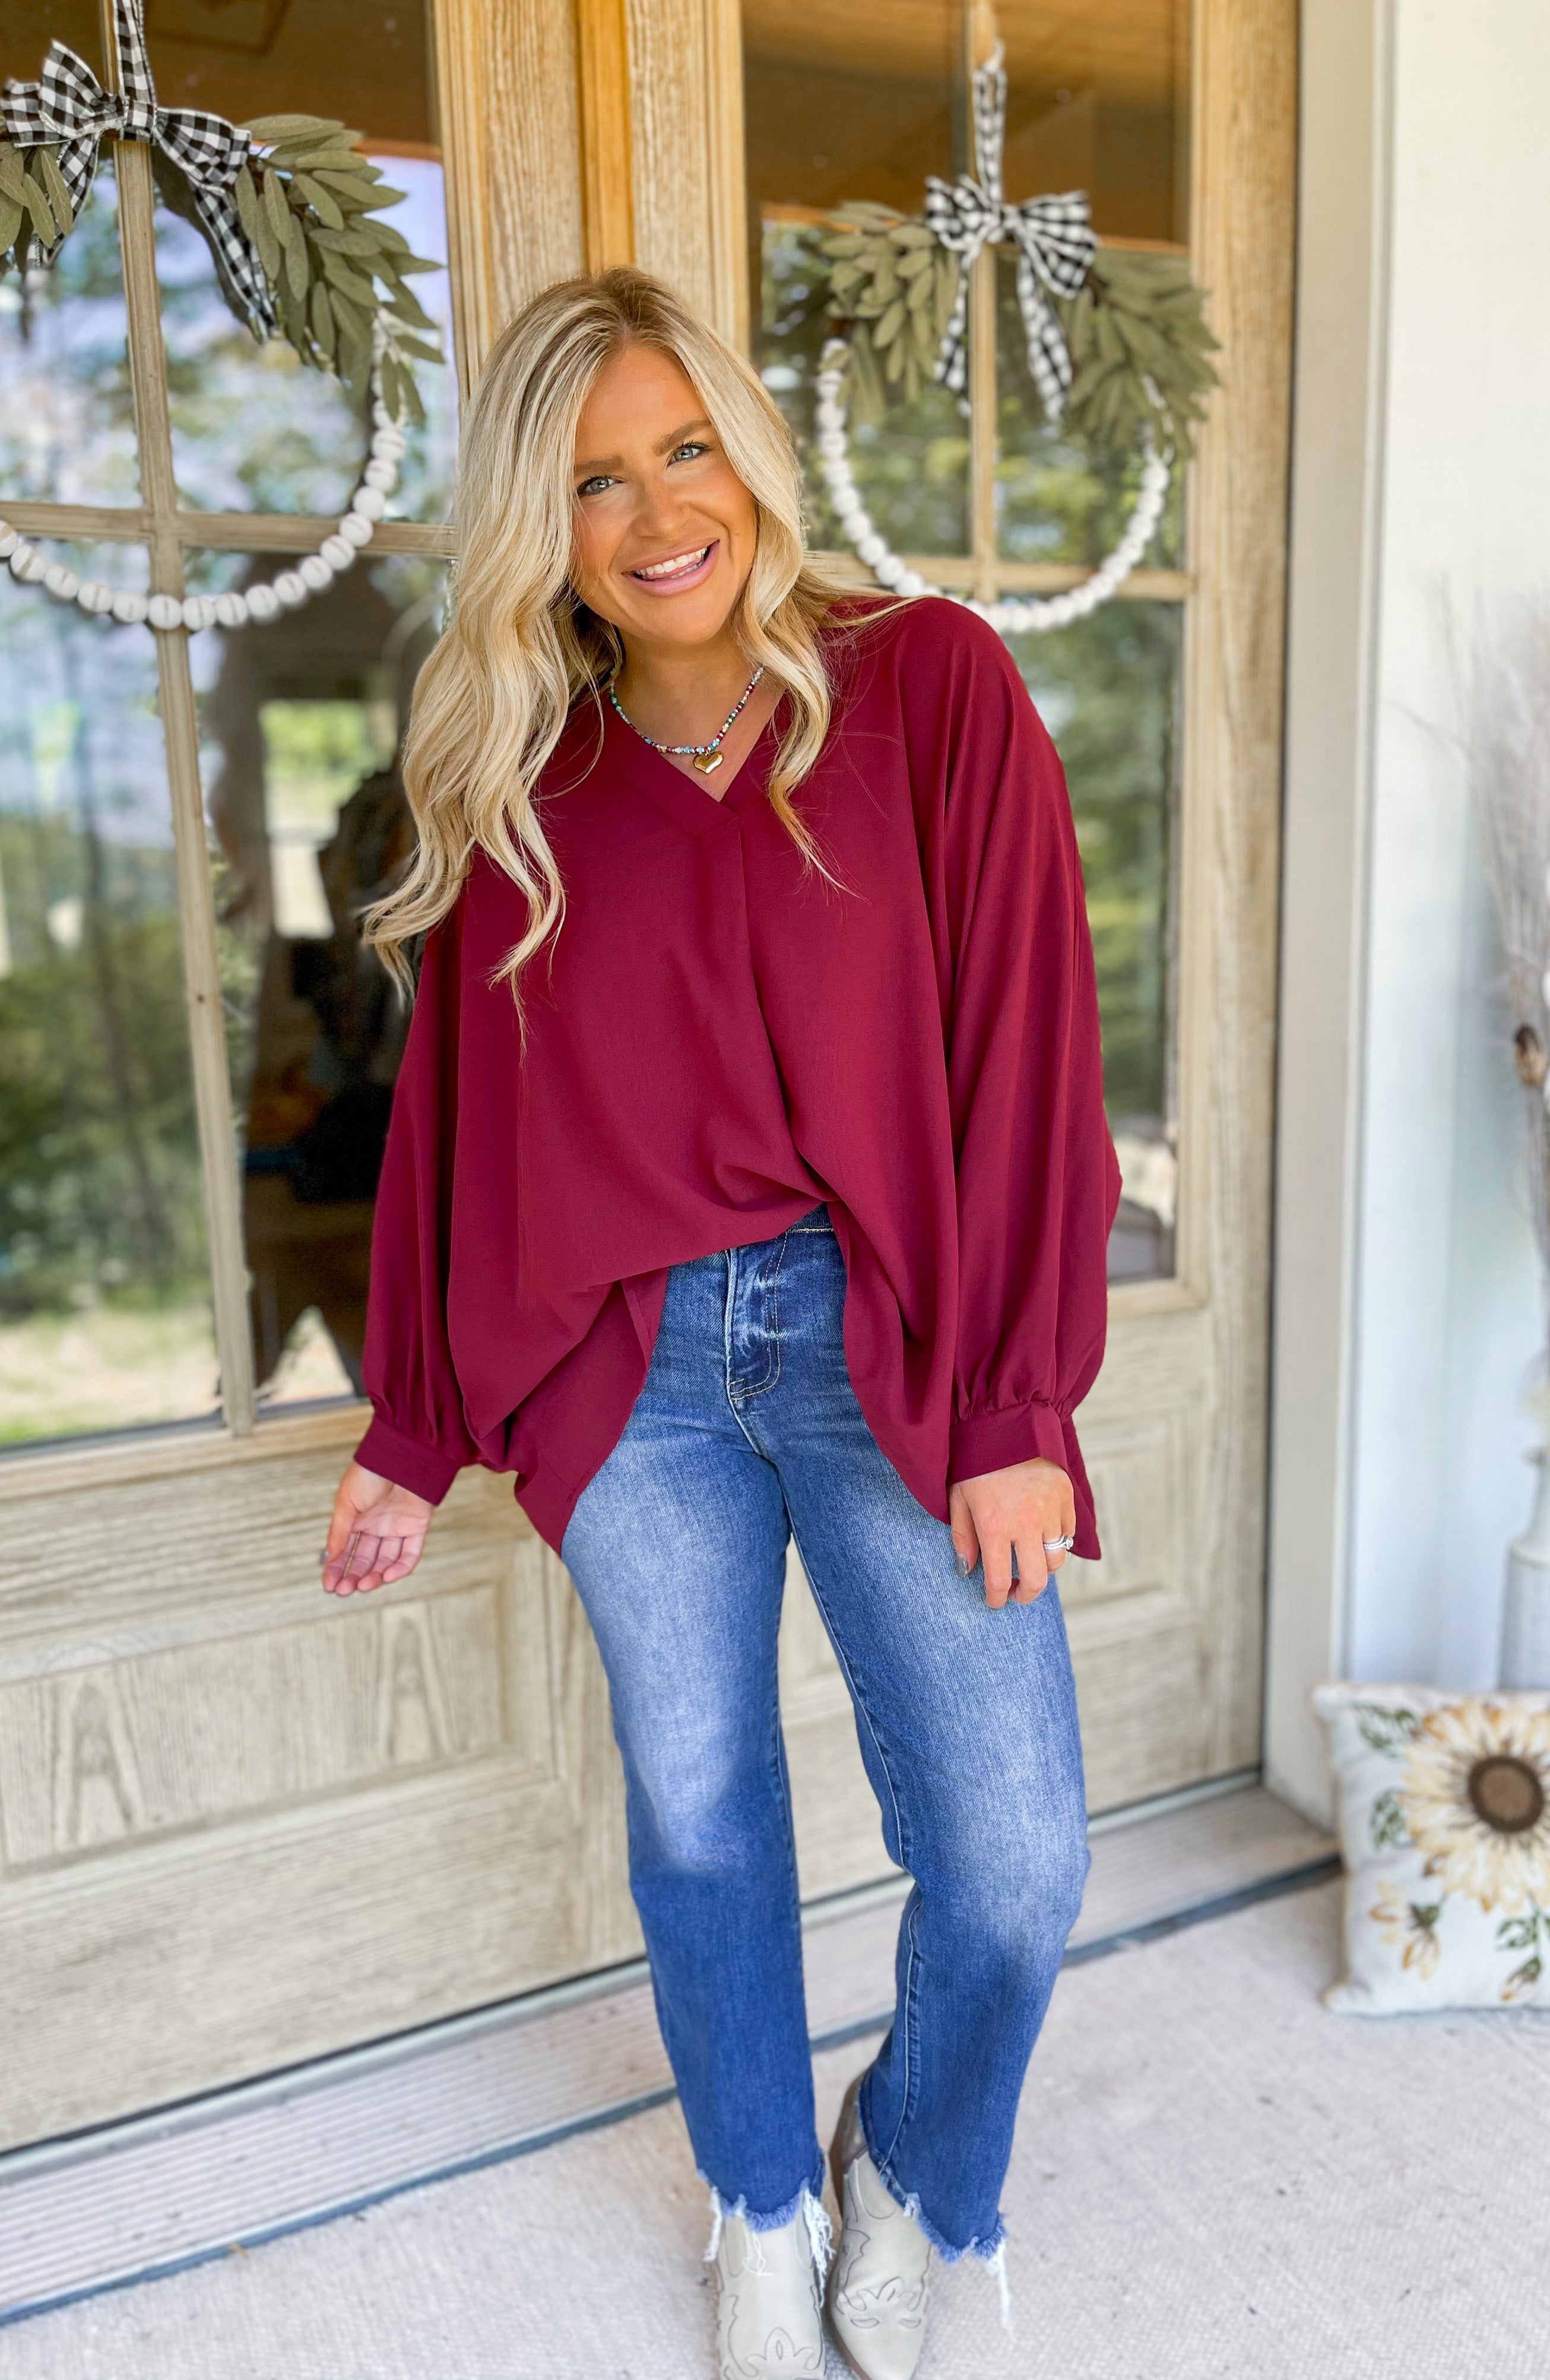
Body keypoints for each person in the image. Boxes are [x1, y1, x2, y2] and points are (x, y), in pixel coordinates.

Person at [318, 267, 1121, 2380]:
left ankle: (920, 2179)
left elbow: (1032, 1047)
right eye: (594, 479)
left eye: (685, 446)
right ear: (542, 529)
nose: (658, 509)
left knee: (1018, 1860)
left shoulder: (928, 684)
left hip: (906, 1346)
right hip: (635, 1370)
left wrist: (1023, 1395)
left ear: (747, 456)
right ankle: (761, 2213)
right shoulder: (523, 765)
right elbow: (457, 1114)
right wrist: (414, 1419)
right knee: (698, 1822)